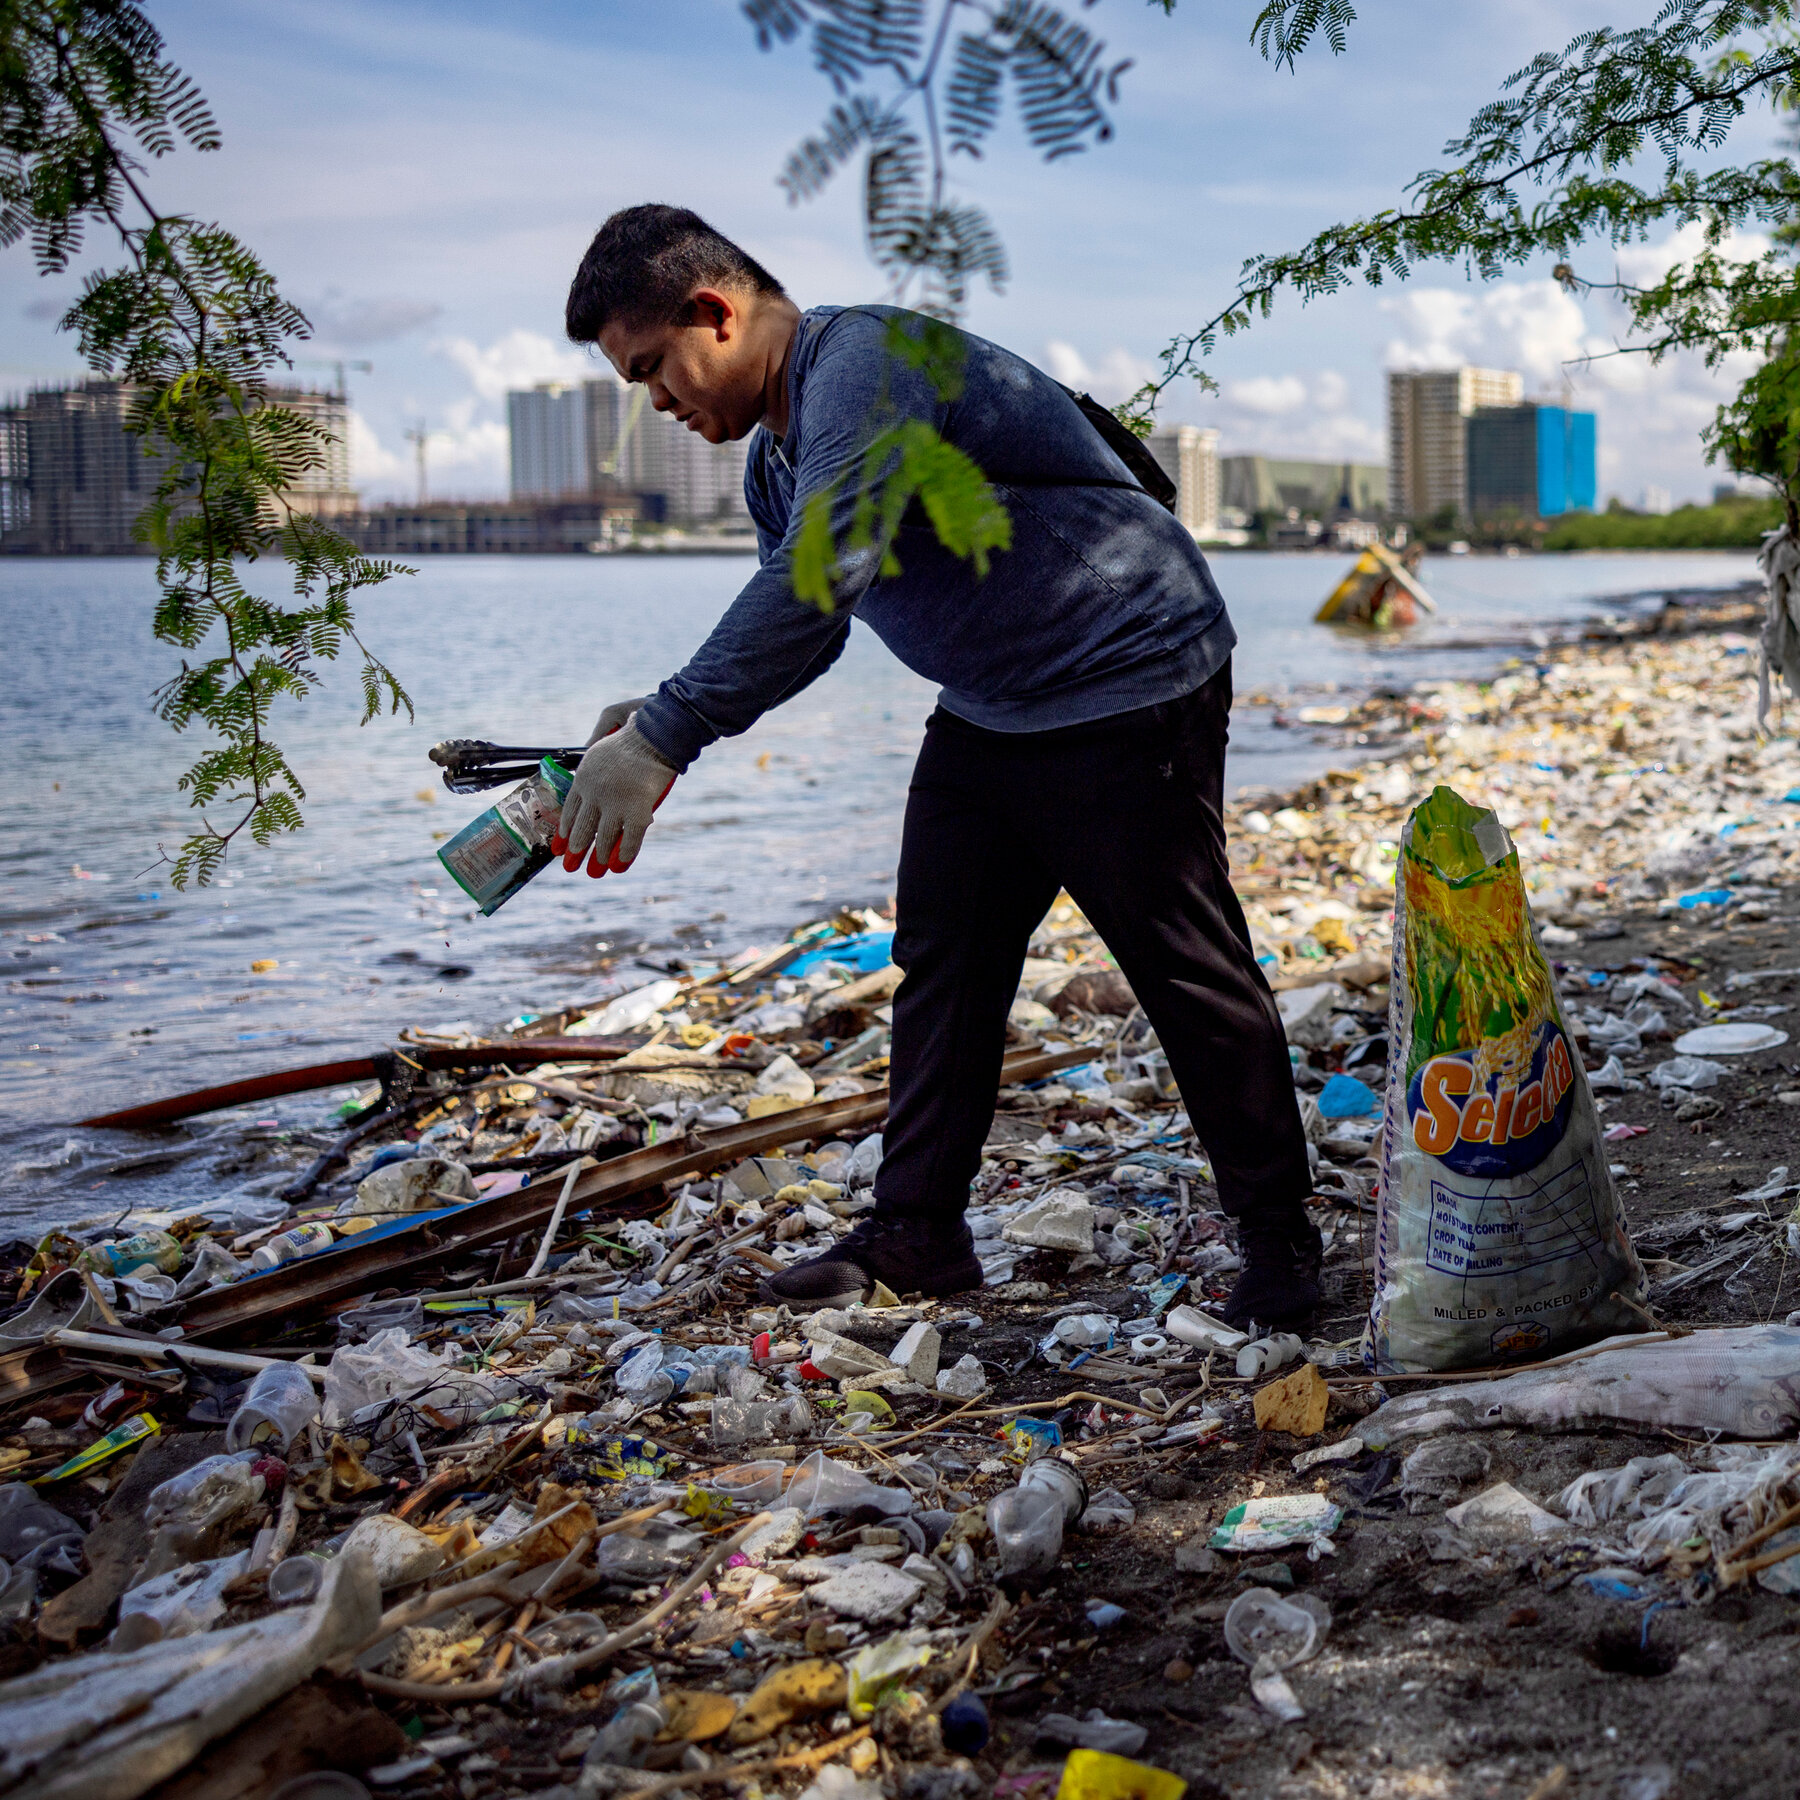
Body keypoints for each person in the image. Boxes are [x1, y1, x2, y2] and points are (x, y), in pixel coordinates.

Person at [554, 204, 1321, 1332]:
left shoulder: (861, 368)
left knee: (1183, 968)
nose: (655, 403)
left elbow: (817, 579)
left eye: (650, 370)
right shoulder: (780, 454)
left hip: (1129, 672)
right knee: (944, 959)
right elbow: (810, 622)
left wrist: (670, 733)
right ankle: (918, 1232)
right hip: (995, 707)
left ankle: (1279, 1241)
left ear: (713, 313)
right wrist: (646, 719)